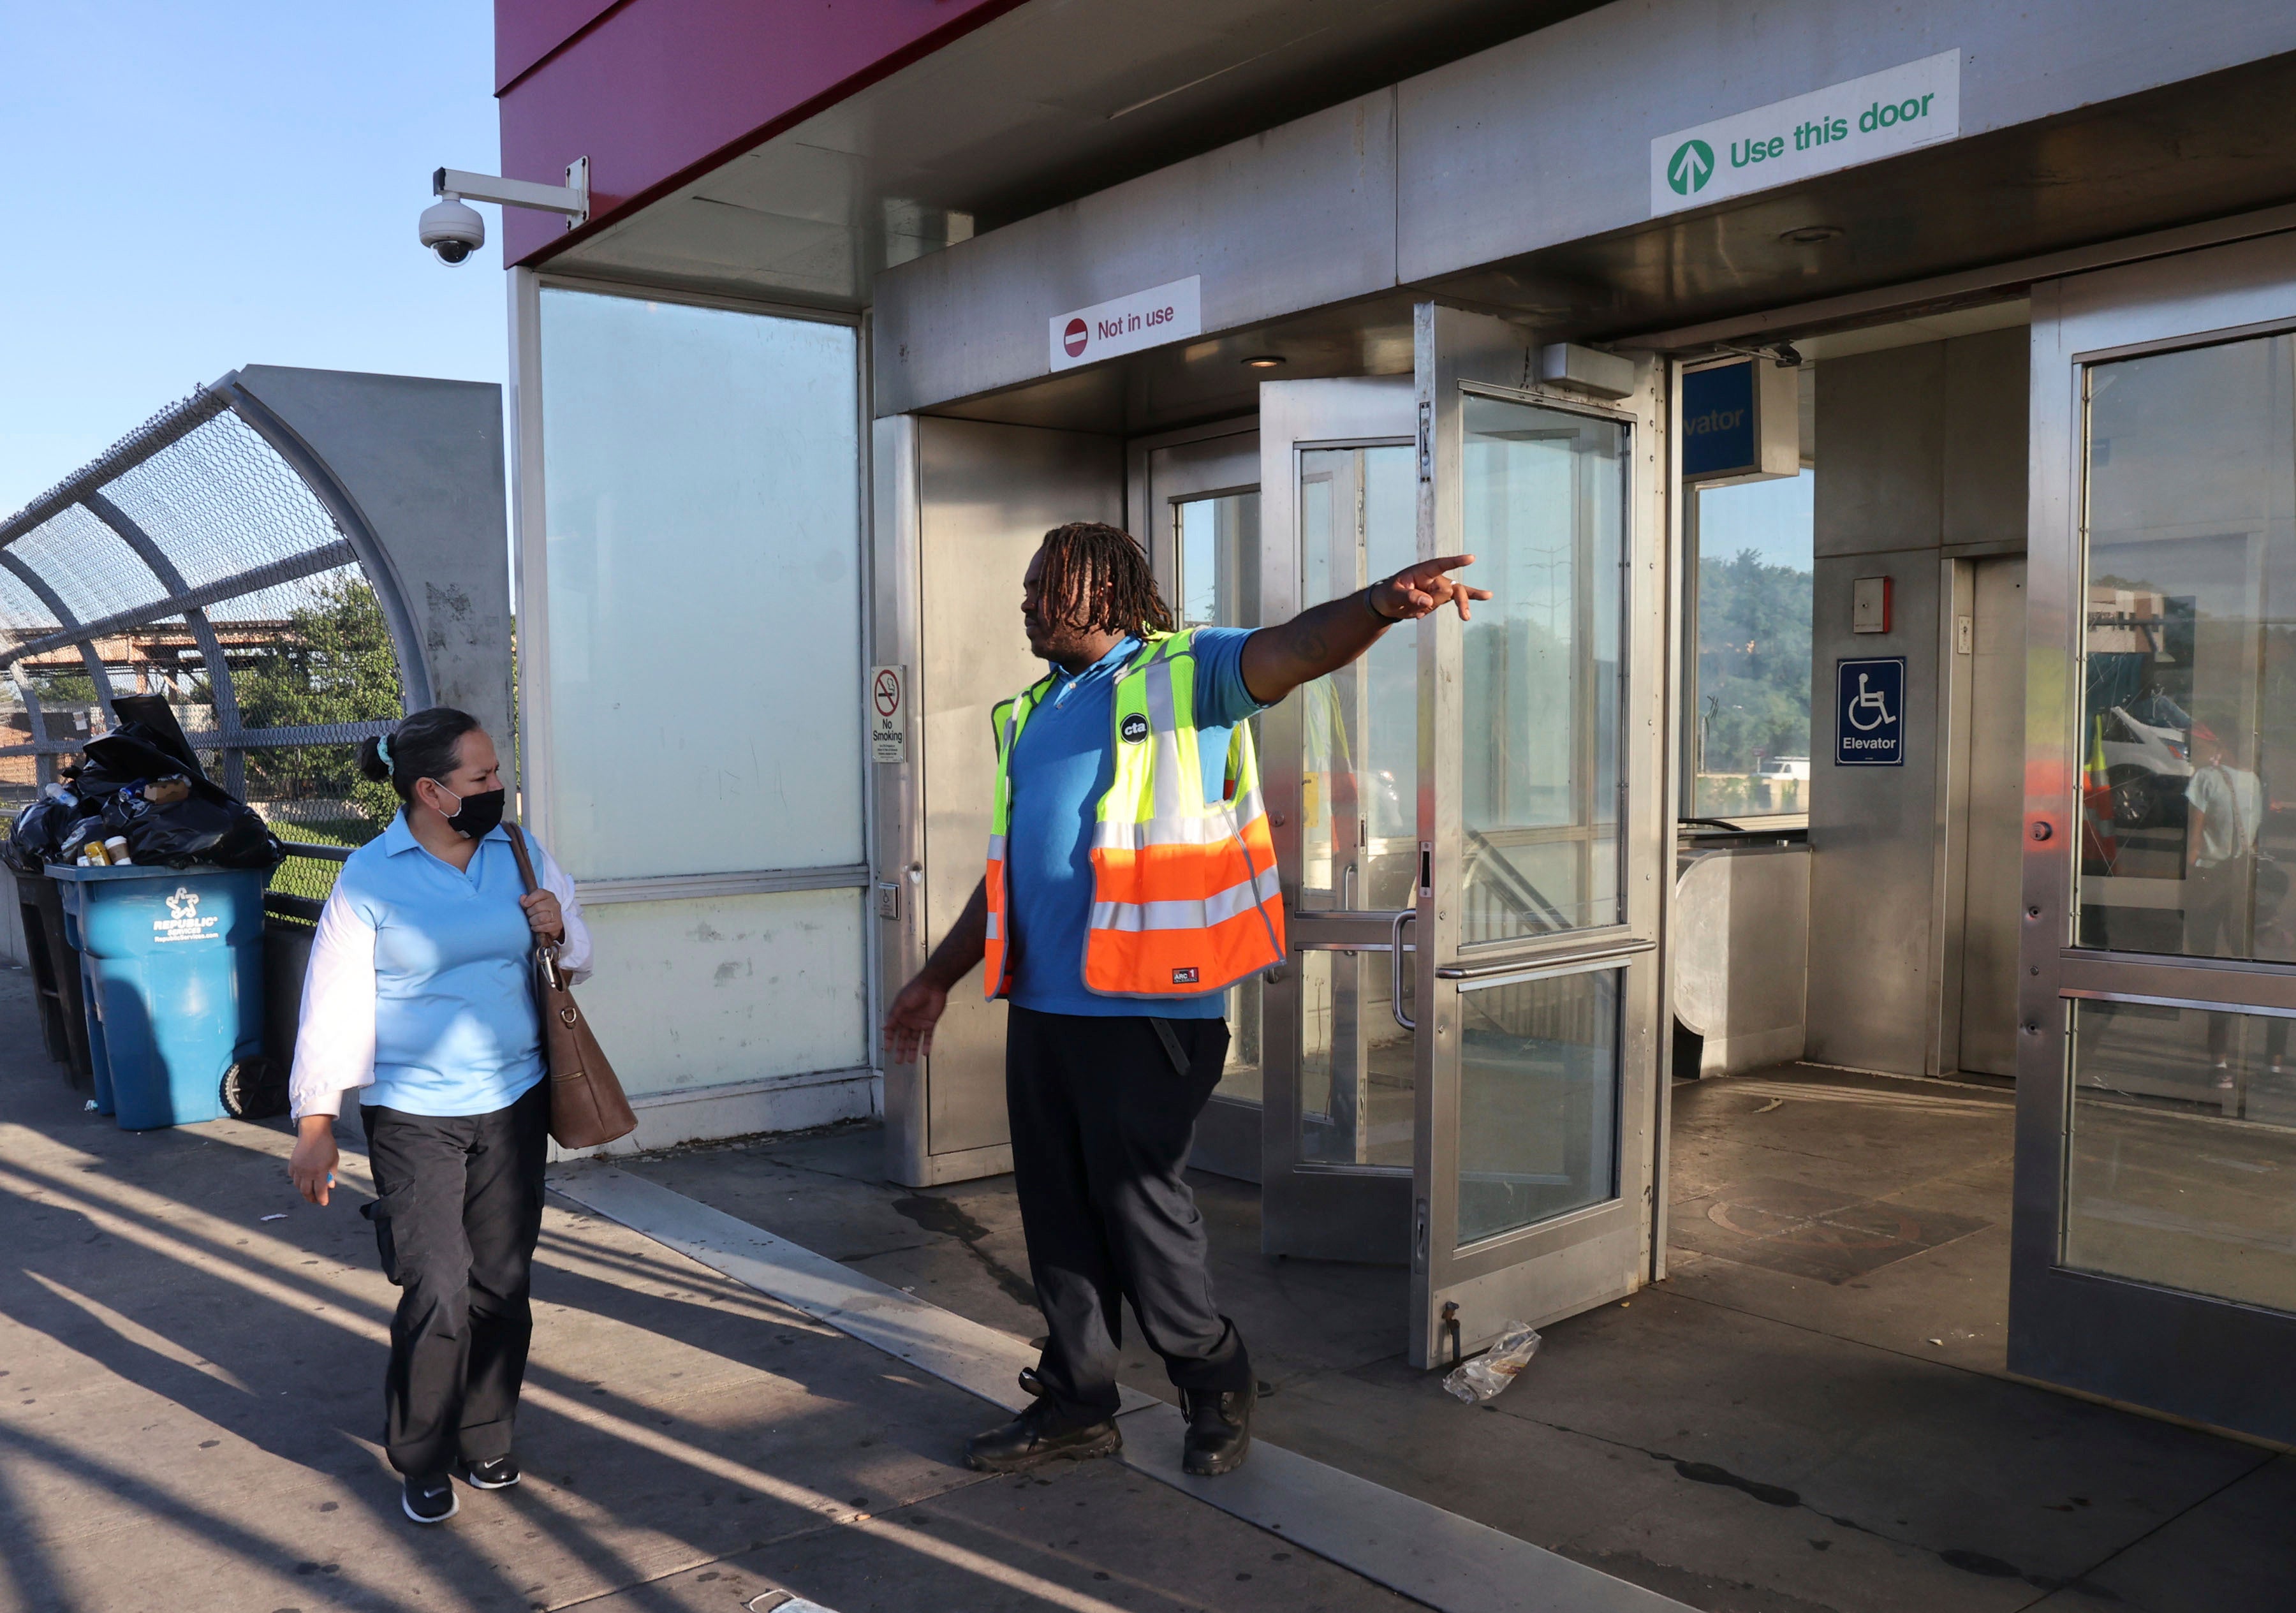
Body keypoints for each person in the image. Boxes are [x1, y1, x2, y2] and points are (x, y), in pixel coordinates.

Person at [883, 521, 1485, 1477]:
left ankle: (1215, 1380)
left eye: (1050, 585)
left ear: (1107, 593)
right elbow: (1008, 875)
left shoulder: (1181, 673)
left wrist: (1378, 605)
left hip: (1149, 1015)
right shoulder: (1033, 713)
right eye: (1030, 586)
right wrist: (935, 977)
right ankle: (1079, 1401)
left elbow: (1294, 649)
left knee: (1140, 1217)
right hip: (1044, 1011)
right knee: (1059, 1219)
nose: (1030, 601)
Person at [285, 707, 590, 1524]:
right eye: (483, 778)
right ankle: (421, 1452)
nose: (500, 789)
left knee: (502, 1282)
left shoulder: (518, 852)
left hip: (516, 1101)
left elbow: (579, 957)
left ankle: (485, 1435)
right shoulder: (371, 876)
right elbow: (334, 1002)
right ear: (431, 790)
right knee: (438, 1287)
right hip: (415, 1112)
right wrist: (317, 1121)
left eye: (498, 774)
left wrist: (560, 930)